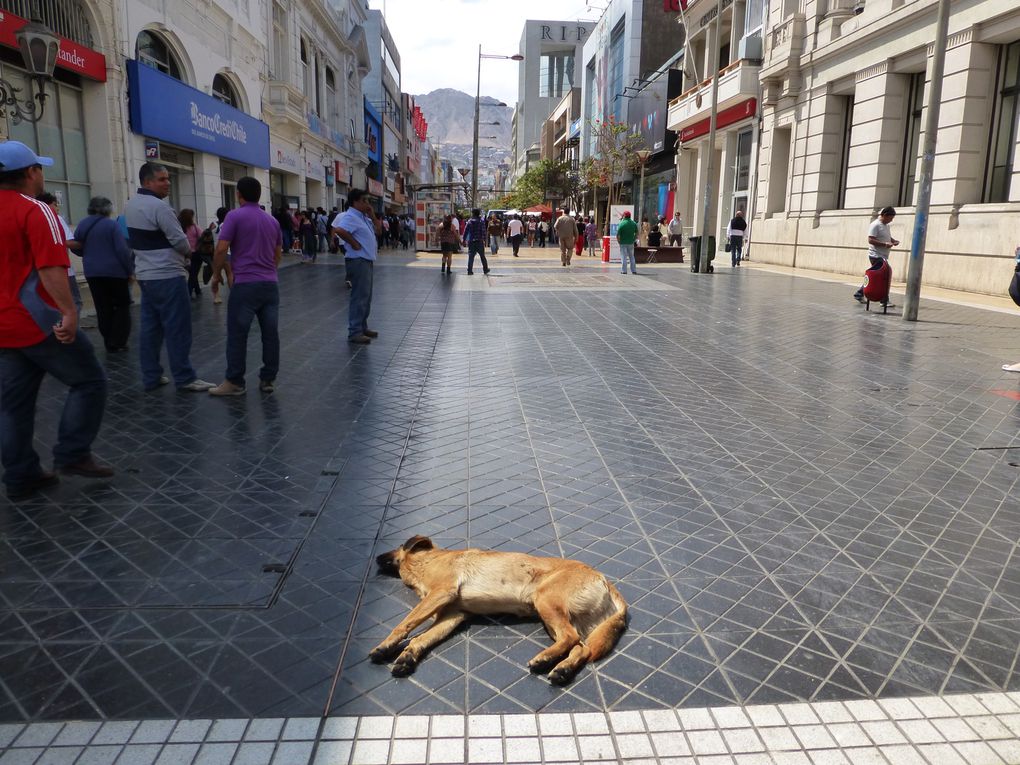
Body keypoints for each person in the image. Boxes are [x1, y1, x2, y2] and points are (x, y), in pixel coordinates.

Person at [0, 140, 113, 500]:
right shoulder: (36, 210)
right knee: (89, 380)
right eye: (39, 169)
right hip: (38, 321)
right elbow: (50, 267)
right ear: (30, 173)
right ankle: (73, 452)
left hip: (4, 327)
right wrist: (69, 312)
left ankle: (20, 475)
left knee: (13, 404)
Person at [124, 162, 215, 392]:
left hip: (146, 275)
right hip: (167, 275)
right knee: (178, 328)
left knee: (150, 329)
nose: (167, 183)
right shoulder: (161, 208)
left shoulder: (131, 205)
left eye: (168, 178)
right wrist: (188, 254)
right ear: (147, 182)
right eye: (162, 179)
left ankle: (151, 375)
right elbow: (180, 241)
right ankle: (185, 377)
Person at [208, 177, 282, 396]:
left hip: (245, 284)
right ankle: (268, 379)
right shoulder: (272, 221)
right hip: (270, 285)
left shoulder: (234, 216)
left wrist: (215, 274)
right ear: (259, 195)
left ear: (239, 194)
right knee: (270, 334)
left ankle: (235, 381)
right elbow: (277, 254)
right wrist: (269, 271)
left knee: (238, 333)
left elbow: (221, 249)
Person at [75, 196, 133, 353]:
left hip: (92, 272)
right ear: (107, 208)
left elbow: (76, 245)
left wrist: (87, 253)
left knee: (102, 307)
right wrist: (130, 270)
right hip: (115, 272)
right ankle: (118, 340)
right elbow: (122, 250)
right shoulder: (111, 225)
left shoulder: (82, 224)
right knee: (122, 305)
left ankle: (108, 339)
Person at [333, 189, 381, 344]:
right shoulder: (351, 216)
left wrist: (373, 216)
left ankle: (362, 326)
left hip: (366, 260)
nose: (367, 204)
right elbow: (339, 230)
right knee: (359, 297)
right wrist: (354, 243)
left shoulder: (362, 217)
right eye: (364, 200)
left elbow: (379, 231)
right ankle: (355, 331)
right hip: (358, 260)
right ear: (356, 202)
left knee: (366, 297)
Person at [854, 206, 899, 304]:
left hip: (883, 255)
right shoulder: (875, 225)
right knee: (883, 275)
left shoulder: (886, 225)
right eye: (890, 218)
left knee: (876, 276)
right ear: (884, 215)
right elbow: (870, 239)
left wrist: (893, 240)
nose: (891, 221)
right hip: (876, 255)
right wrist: (885, 244)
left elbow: (886, 235)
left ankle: (859, 293)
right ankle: (884, 300)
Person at [179, 209, 203, 298]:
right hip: (196, 253)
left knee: (193, 272)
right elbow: (202, 236)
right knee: (193, 274)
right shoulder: (195, 227)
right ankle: (188, 293)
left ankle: (197, 290)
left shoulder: (179, 228)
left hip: (184, 254)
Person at [210, 207, 229, 304]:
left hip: (215, 253)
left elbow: (208, 237)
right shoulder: (228, 225)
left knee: (216, 274)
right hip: (227, 253)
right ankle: (233, 293)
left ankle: (216, 297)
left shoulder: (213, 224)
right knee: (230, 274)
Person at [463, 208, 490, 275]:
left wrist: (464, 240)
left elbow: (465, 231)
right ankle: (485, 269)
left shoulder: (469, 221)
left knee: (471, 256)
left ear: (473, 213)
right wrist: (485, 240)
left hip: (471, 241)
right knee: (482, 256)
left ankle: (469, 270)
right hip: (479, 241)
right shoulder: (481, 221)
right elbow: (483, 231)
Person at [617, 210, 638, 275]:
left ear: (624, 216)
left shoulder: (621, 223)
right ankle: (633, 270)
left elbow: (618, 235)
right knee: (632, 256)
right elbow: (636, 233)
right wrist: (634, 239)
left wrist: (619, 241)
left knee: (624, 256)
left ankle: (624, 271)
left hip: (623, 242)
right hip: (631, 242)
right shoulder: (634, 223)